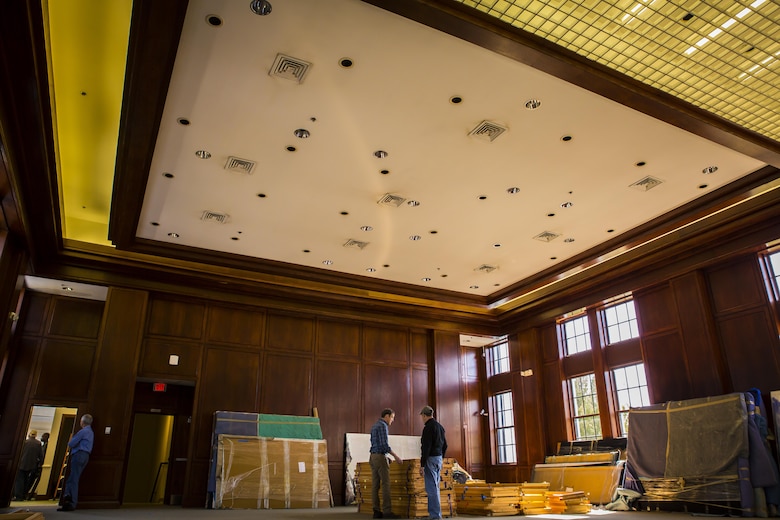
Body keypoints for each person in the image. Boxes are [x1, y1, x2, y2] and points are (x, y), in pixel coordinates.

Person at [369, 408, 402, 519]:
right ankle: (387, 512)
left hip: (373, 457)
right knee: (386, 484)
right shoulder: (383, 426)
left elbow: (376, 444)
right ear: (387, 416)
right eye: (392, 417)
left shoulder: (374, 426)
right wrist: (396, 456)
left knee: (375, 485)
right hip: (379, 457)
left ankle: (376, 511)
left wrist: (385, 457)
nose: (392, 420)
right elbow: (384, 445)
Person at [58, 414, 94, 512]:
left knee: (73, 479)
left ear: (82, 422)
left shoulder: (83, 432)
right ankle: (68, 498)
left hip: (79, 455)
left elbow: (71, 443)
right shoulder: (91, 432)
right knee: (74, 478)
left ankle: (71, 502)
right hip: (86, 456)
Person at [419, 406, 447, 520]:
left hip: (430, 459)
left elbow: (426, 447)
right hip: (438, 458)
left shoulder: (428, 428)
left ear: (425, 416)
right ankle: (435, 514)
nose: (421, 418)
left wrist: (422, 464)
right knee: (435, 487)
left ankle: (435, 515)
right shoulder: (440, 427)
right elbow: (445, 445)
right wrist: (441, 457)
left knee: (431, 488)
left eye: (422, 416)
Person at [14, 430, 43, 501]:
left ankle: (18, 496)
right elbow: (41, 456)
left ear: (29, 435)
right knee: (27, 481)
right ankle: (24, 495)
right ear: (36, 435)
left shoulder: (25, 442)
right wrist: (40, 464)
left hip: (21, 463)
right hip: (32, 465)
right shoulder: (38, 444)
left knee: (19, 480)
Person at [27, 431, 50, 500]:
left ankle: (25, 493)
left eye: (43, 436)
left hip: (37, 465)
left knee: (30, 480)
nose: (41, 437)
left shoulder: (46, 446)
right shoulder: (42, 445)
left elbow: (42, 456)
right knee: (30, 480)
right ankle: (26, 494)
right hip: (36, 465)